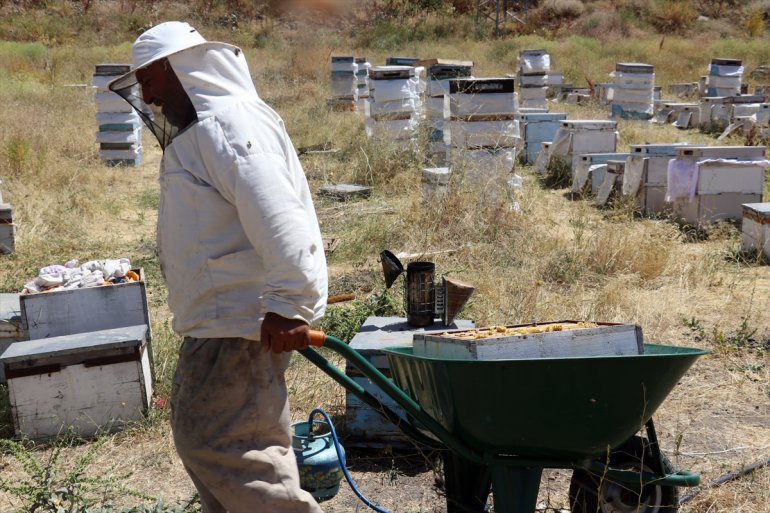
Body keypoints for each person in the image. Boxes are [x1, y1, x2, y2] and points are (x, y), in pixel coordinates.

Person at [110, 21, 328, 513]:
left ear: (184, 69)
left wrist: (290, 304)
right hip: (222, 325)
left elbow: (280, 216)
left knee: (233, 454)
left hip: (240, 325)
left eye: (150, 78)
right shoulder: (215, 129)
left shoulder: (229, 125)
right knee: (220, 450)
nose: (147, 95)